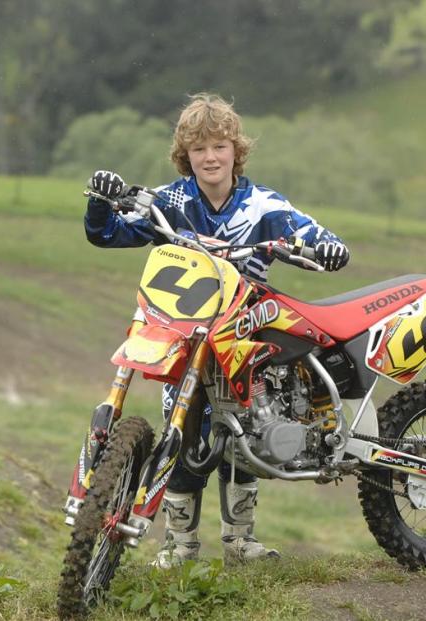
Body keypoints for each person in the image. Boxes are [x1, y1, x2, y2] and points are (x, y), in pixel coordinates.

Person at [83, 93, 349, 568]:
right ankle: (178, 547)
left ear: (235, 150)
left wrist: (329, 249)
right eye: (199, 147)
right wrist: (101, 203)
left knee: (243, 438)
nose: (210, 156)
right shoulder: (172, 201)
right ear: (185, 154)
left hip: (245, 332)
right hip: (186, 336)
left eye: (219, 146)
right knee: (183, 436)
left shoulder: (265, 205)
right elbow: (106, 235)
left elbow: (316, 235)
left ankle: (240, 542)